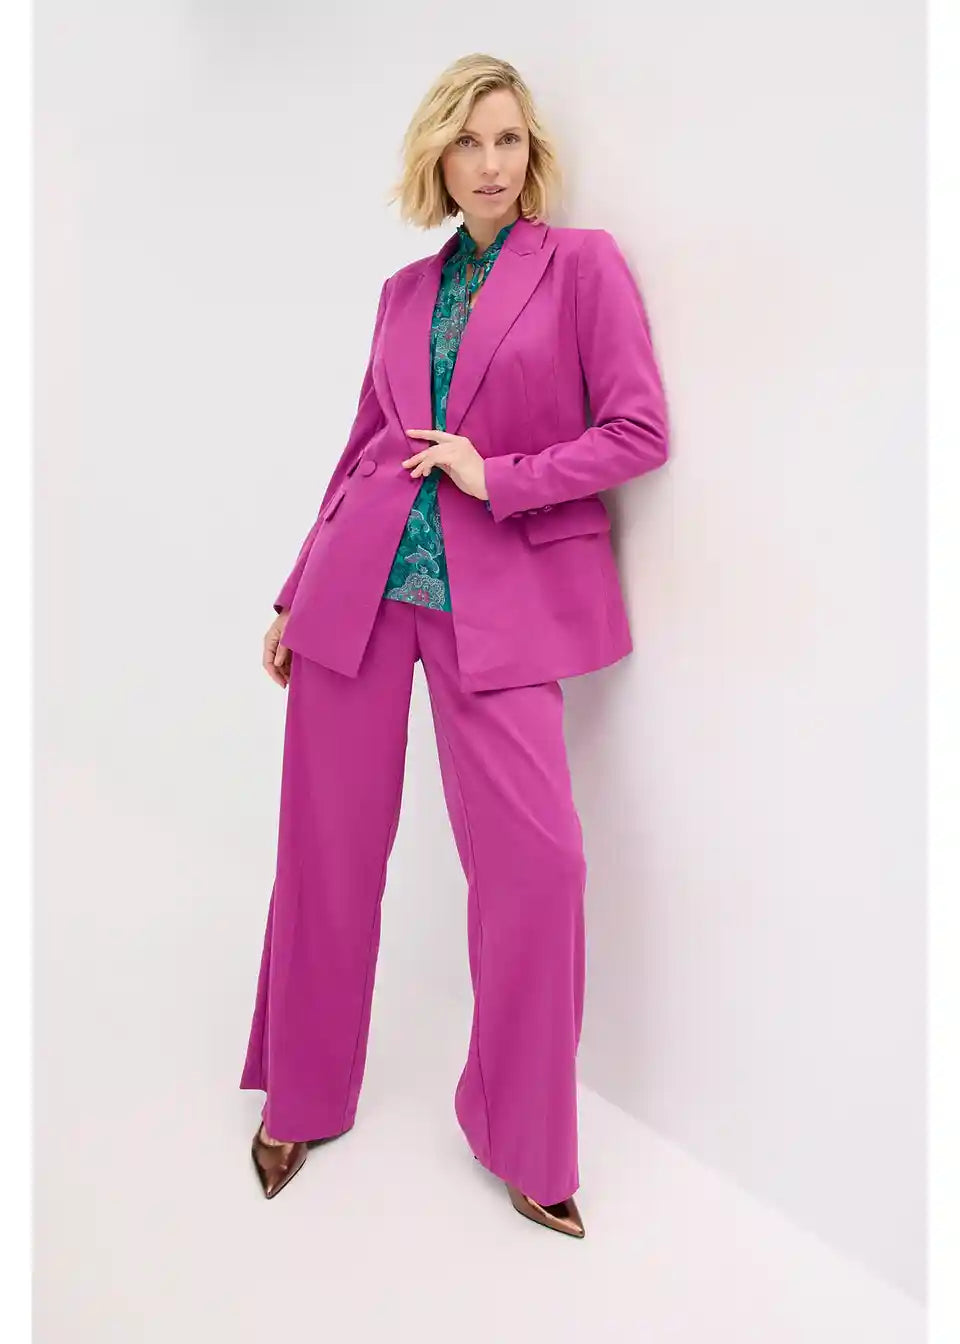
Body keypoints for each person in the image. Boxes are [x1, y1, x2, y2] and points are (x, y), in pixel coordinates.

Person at [240, 52, 669, 1238]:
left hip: (502, 604)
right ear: (437, 157)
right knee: (325, 855)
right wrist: (294, 592)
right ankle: (301, 1096)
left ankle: (524, 1137)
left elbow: (639, 429)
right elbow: (362, 447)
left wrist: (501, 475)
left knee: (542, 867)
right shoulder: (401, 293)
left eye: (509, 140)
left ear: (533, 154)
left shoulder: (580, 267)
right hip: (360, 594)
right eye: (469, 142)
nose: (491, 164)